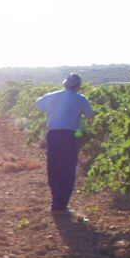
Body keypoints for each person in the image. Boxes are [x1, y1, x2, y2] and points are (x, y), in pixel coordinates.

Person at [35, 73, 94, 214]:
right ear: (78, 86)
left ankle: (56, 200)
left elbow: (38, 104)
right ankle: (59, 205)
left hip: (53, 135)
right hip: (69, 136)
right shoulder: (81, 99)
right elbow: (90, 115)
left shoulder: (53, 95)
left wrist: (52, 109)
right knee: (67, 170)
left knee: (53, 167)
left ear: (65, 84)